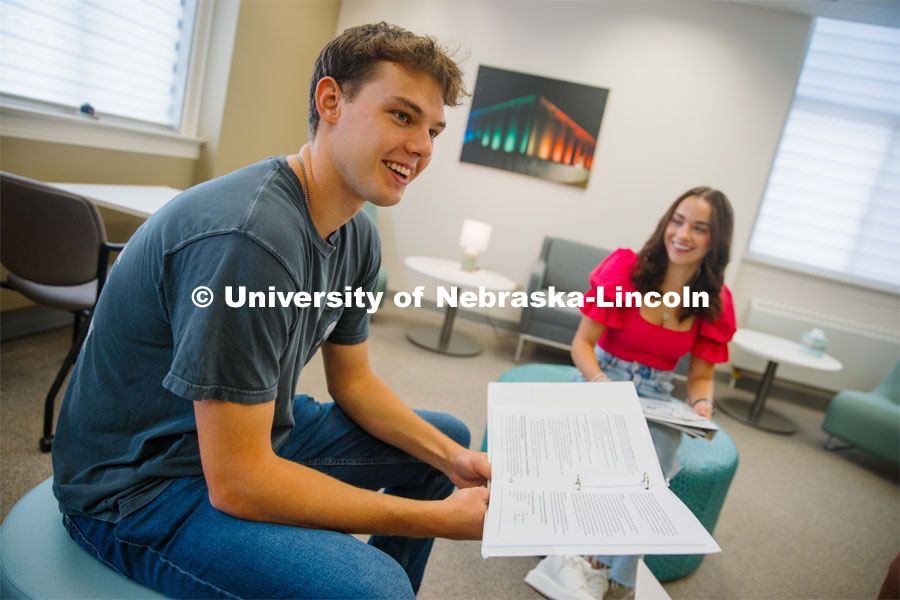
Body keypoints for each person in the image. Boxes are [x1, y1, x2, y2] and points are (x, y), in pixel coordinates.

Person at [51, 22, 491, 599]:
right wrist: (439, 520)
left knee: (444, 441)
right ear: (330, 101)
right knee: (374, 587)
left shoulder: (358, 236)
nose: (423, 147)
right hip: (137, 488)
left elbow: (354, 383)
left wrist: (456, 461)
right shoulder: (250, 239)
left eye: (433, 128)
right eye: (402, 116)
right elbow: (238, 484)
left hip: (246, 435)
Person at [525, 186, 736, 600]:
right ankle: (585, 561)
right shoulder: (626, 269)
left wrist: (702, 405)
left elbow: (700, 376)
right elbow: (582, 345)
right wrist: (602, 384)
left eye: (699, 228)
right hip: (603, 377)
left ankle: (609, 570)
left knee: (650, 470)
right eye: (677, 221)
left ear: (716, 240)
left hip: (657, 394)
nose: (682, 234)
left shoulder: (714, 301)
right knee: (600, 456)